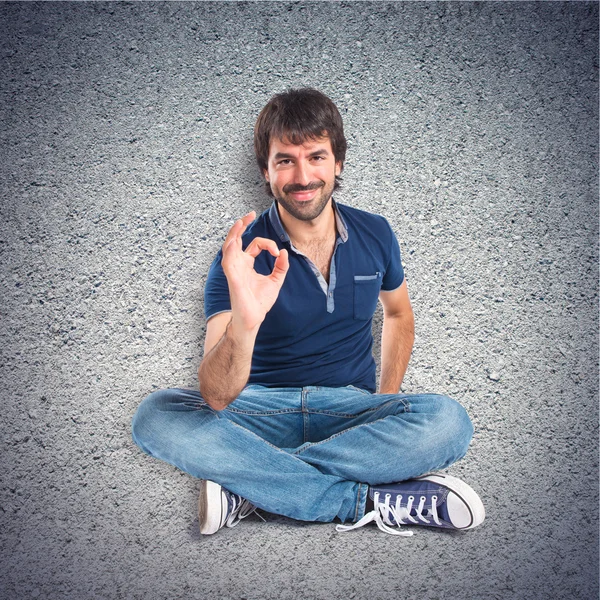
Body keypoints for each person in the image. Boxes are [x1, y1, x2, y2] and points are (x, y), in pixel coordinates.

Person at [132, 88, 485, 537]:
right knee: (156, 414)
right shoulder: (241, 255)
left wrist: (384, 399)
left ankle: (253, 486)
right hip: (257, 411)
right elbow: (217, 396)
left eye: (316, 156)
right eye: (285, 160)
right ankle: (360, 499)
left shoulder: (376, 233)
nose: (303, 176)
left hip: (350, 407)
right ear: (266, 170)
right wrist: (247, 319)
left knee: (448, 422)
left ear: (337, 162)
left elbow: (398, 314)